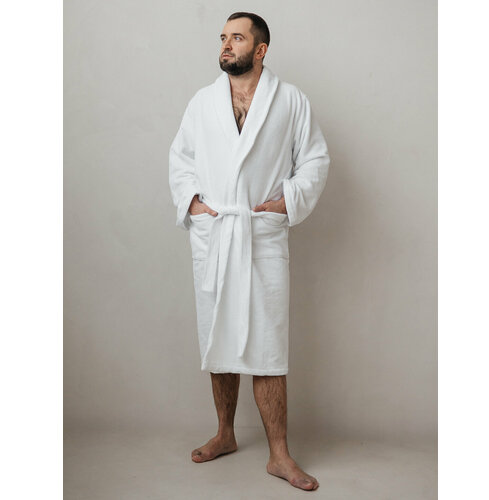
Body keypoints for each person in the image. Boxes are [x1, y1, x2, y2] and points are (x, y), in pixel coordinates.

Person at [169, 11, 330, 491]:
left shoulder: (290, 101)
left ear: (260, 50)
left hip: (260, 235)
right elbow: (181, 160)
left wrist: (287, 201)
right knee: (217, 336)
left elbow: (315, 158)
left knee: (267, 346)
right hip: (217, 234)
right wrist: (193, 204)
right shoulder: (202, 103)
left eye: (237, 38)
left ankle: (279, 454)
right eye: (223, 37)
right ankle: (225, 433)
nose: (226, 44)